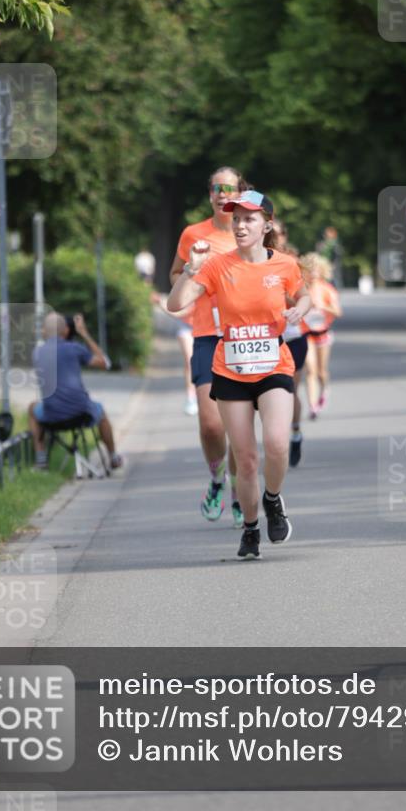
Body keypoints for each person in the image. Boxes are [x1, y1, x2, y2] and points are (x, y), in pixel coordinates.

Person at [168, 190, 311, 560]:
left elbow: (304, 294)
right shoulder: (217, 266)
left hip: (273, 364)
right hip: (230, 369)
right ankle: (250, 528)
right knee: (246, 458)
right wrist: (191, 268)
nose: (240, 224)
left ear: (267, 225)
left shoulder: (284, 265)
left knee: (277, 443)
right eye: (236, 218)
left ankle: (273, 499)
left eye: (249, 218)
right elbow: (176, 304)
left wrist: (299, 311)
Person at [169, 167, 244, 527]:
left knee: (238, 425)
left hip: (245, 337)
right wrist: (191, 276)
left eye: (228, 188)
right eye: (216, 188)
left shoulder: (252, 230)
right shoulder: (193, 234)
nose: (221, 193)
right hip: (207, 335)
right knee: (212, 424)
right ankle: (217, 480)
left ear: (240, 192)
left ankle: (239, 491)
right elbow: (174, 274)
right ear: (209, 194)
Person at [29, 312, 123, 471]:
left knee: (32, 408)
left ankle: (41, 461)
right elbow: (105, 363)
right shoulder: (74, 348)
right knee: (101, 412)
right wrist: (84, 333)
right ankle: (113, 456)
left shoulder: (37, 352)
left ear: (44, 331)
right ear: (65, 330)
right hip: (81, 413)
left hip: (51, 415)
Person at [272, 220, 307, 467]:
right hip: (263, 339)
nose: (274, 237)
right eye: (270, 232)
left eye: (279, 234)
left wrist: (276, 292)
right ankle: (275, 439)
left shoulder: (291, 262)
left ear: (284, 236)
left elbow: (301, 300)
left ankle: (294, 432)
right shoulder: (252, 260)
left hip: (292, 337)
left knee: (288, 391)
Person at [300, 253, 342, 419]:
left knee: (321, 372)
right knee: (310, 369)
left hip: (322, 332)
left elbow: (338, 312)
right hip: (305, 332)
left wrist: (323, 306)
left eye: (316, 269)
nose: (313, 273)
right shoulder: (301, 289)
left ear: (322, 271)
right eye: (309, 270)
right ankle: (312, 406)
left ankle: (324, 387)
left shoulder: (327, 289)